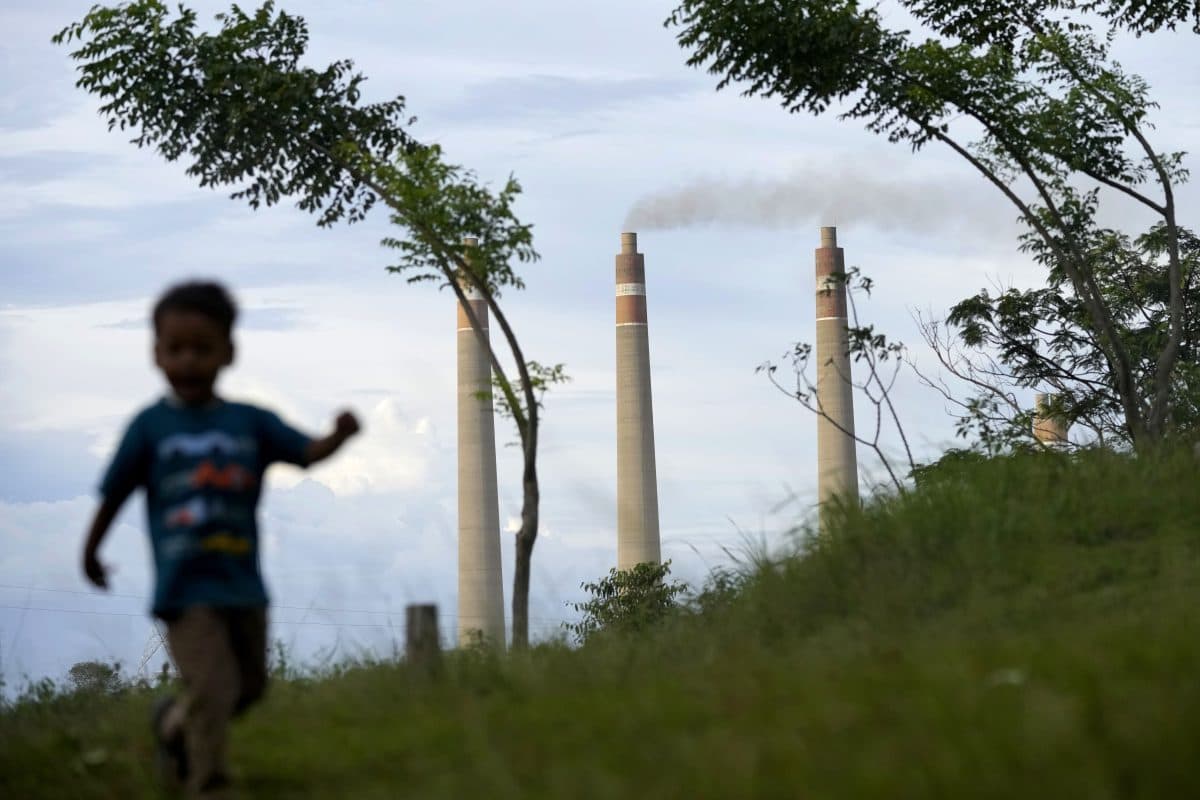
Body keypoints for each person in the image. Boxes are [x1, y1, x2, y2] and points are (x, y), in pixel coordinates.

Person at [81, 281, 360, 798]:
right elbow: (114, 493)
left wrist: (338, 437)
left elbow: (304, 451)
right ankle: (209, 783)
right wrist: (91, 551)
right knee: (211, 686)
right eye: (175, 349)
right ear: (156, 353)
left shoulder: (248, 423)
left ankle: (171, 726)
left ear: (228, 352)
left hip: (242, 585)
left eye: (201, 349)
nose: (188, 361)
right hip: (185, 589)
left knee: (247, 688)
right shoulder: (149, 428)